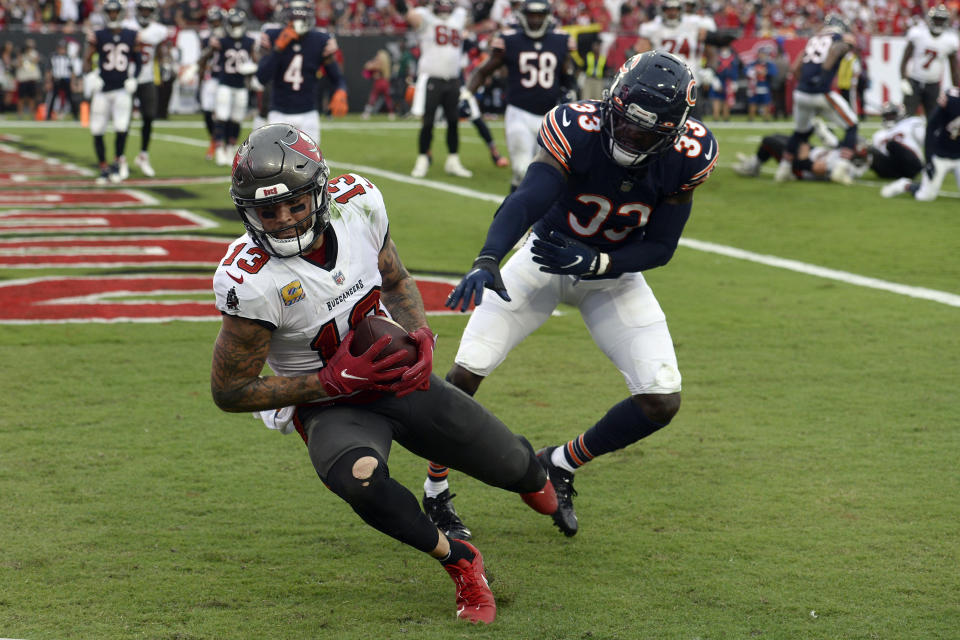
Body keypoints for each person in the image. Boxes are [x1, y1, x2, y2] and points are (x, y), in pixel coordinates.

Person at [210, 123, 559, 624]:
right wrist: (329, 383)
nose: (284, 221)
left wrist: (419, 335)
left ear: (321, 192)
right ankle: (460, 561)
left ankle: (533, 470)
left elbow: (395, 280)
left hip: (396, 375)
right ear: (249, 212)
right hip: (329, 404)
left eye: (295, 205)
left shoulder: (359, 205)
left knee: (518, 469)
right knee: (360, 480)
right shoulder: (248, 282)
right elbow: (230, 391)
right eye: (268, 210)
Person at [437, 51, 718, 539]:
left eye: (647, 134)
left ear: (673, 132)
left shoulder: (690, 155)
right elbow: (527, 198)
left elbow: (661, 246)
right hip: (541, 260)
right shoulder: (576, 126)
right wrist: (488, 257)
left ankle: (560, 462)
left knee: (661, 400)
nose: (631, 138)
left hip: (612, 275)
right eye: (627, 124)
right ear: (612, 104)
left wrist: (601, 262)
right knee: (466, 372)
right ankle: (435, 491)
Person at [463, 0, 576, 191]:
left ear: (547, 17)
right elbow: (484, 71)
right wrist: (466, 94)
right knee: (522, 169)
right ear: (523, 16)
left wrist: (571, 93)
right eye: (532, 15)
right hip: (519, 113)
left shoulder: (560, 40)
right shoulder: (510, 40)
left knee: (543, 173)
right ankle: (515, 214)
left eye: (540, 16)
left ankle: (520, 210)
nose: (535, 20)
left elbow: (568, 74)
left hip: (549, 117)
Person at [774, 15, 859, 186]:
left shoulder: (815, 38)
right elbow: (836, 51)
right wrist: (823, 78)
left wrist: (804, 83)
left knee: (800, 132)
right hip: (820, 92)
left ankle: (784, 169)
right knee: (852, 125)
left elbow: (795, 67)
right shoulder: (838, 37)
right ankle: (841, 168)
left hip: (801, 93)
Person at [395, 0, 474, 178]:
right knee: (428, 121)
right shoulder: (425, 15)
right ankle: (422, 159)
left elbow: (477, 19)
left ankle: (453, 160)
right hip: (432, 78)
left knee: (454, 121)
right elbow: (407, 14)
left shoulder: (459, 16)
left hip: (453, 79)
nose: (445, 8)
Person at [256, 0, 348, 145]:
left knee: (312, 164)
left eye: (301, 18)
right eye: (294, 18)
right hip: (279, 112)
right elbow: (261, 78)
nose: (297, 22)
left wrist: (341, 91)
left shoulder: (321, 39)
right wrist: (278, 49)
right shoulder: (272, 35)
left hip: (308, 113)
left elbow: (336, 77)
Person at [83, 0, 141, 184]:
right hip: (102, 89)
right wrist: (91, 74)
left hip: (122, 89)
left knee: (121, 128)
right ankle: (103, 167)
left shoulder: (132, 35)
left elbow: (139, 60)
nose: (113, 15)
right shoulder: (98, 34)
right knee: (97, 129)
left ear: (121, 14)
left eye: (116, 12)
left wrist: (134, 77)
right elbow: (86, 60)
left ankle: (116, 164)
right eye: (110, 12)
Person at [881, 87, 960, 202]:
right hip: (941, 156)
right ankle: (905, 185)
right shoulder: (951, 99)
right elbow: (931, 127)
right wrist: (929, 160)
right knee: (925, 197)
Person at [204, 8, 258, 166]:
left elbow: (256, 60)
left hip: (241, 85)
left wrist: (253, 67)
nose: (235, 27)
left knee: (236, 119)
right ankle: (219, 149)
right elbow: (207, 56)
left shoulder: (249, 41)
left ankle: (230, 148)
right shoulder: (222, 40)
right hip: (225, 84)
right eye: (233, 24)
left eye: (238, 24)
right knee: (221, 117)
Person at [127, 0, 169, 177]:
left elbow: (160, 50)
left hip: (147, 78)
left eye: (147, 10)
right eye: (142, 9)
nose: (144, 13)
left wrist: (165, 64)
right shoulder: (126, 26)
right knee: (124, 120)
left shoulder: (158, 30)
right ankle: (120, 158)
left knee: (149, 116)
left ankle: (143, 155)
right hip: (127, 78)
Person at [732, 131, 868, 183]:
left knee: (769, 141)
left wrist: (804, 154)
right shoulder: (843, 155)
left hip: (801, 166)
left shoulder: (842, 166)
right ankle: (754, 161)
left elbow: (815, 168)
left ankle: (753, 167)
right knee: (778, 136)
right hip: (810, 152)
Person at [898, 4, 959, 117]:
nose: (938, 22)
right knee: (907, 117)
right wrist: (903, 79)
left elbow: (954, 68)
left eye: (941, 20)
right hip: (914, 82)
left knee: (933, 120)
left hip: (933, 85)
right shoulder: (918, 34)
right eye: (936, 19)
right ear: (930, 19)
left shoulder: (950, 40)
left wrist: (957, 88)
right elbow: (905, 59)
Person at [868, 101, 924, 181]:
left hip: (911, 164)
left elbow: (925, 141)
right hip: (893, 168)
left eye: (891, 115)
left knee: (892, 145)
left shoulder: (911, 123)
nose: (888, 118)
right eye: (886, 116)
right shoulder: (878, 135)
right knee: (867, 149)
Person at [197, 6, 225, 161]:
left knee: (223, 113)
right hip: (212, 78)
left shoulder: (229, 36)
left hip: (225, 78)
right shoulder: (206, 37)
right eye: (213, 21)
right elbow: (203, 58)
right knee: (207, 111)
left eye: (217, 21)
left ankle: (222, 143)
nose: (215, 24)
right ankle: (214, 140)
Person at [45, 40, 79, 121]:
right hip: (56, 79)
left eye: (63, 48)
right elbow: (48, 70)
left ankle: (75, 116)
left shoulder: (68, 57)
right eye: (61, 48)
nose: (62, 50)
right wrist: (48, 82)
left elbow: (72, 72)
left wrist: (72, 83)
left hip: (66, 79)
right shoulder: (53, 57)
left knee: (71, 98)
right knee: (52, 97)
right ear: (58, 48)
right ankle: (48, 116)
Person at [361, 48, 395, 119]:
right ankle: (391, 113)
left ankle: (367, 113)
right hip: (385, 82)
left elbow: (367, 66)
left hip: (379, 82)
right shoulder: (386, 64)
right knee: (388, 98)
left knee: (373, 98)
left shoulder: (378, 63)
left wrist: (372, 63)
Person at [745, 46, 776, 122]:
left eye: (765, 54)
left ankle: (766, 118)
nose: (763, 55)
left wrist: (765, 72)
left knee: (766, 103)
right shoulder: (753, 63)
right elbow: (746, 71)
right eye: (762, 53)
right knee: (752, 102)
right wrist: (754, 72)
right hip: (754, 86)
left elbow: (774, 72)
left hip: (764, 86)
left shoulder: (769, 64)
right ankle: (751, 118)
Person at [15, 40, 42, 120]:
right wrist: (21, 55)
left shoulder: (34, 53)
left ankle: (32, 113)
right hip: (23, 78)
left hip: (31, 78)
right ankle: (20, 114)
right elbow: (19, 64)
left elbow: (36, 60)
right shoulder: (21, 54)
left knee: (32, 97)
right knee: (21, 97)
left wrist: (29, 55)